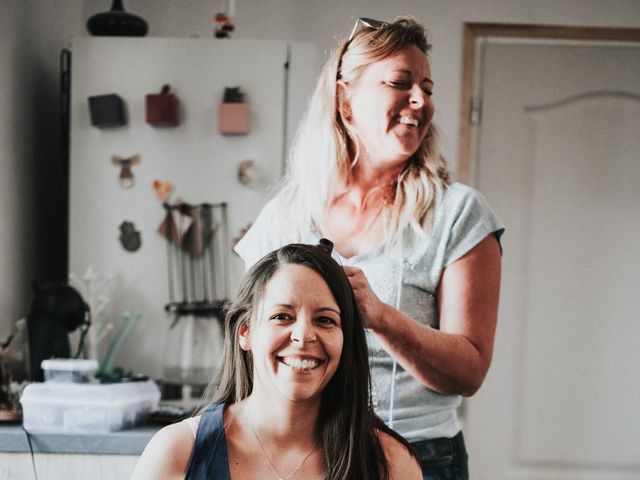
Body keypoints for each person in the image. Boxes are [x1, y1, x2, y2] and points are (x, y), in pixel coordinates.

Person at [234, 16, 504, 479]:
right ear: (345, 100)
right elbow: (250, 341)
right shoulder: (287, 214)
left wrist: (381, 317)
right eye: (401, 82)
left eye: (428, 88)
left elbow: (470, 371)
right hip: (305, 456)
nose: (420, 100)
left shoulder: (459, 214)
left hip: (421, 455)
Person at [130, 240, 422, 480]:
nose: (304, 335)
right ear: (245, 332)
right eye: (282, 316)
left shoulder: (391, 463)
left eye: (325, 320)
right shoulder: (176, 452)